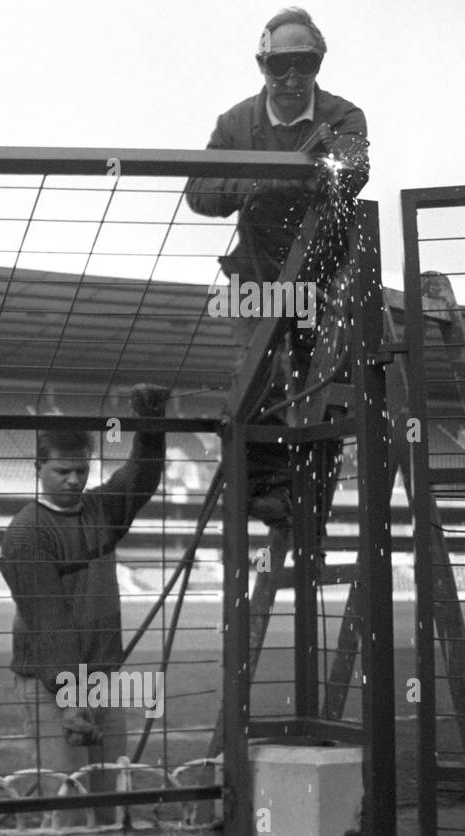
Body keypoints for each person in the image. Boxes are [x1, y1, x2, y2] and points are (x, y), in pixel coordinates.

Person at [184, 7, 369, 528]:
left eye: (304, 63)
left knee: (323, 384)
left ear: (318, 62)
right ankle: (262, 489)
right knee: (256, 376)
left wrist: (314, 173)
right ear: (262, 64)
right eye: (281, 64)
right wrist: (259, 183)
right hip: (253, 278)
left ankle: (302, 491)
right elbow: (198, 192)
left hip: (324, 276)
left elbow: (354, 170)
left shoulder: (345, 116)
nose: (292, 77)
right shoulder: (235, 123)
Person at [0, 383, 169, 827]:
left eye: (81, 470)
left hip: (102, 677)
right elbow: (47, 620)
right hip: (51, 683)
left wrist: (150, 424)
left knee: (113, 798)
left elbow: (140, 478)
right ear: (39, 468)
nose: (73, 479)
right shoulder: (27, 534)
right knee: (68, 805)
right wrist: (72, 699)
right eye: (62, 471)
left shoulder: (99, 510)